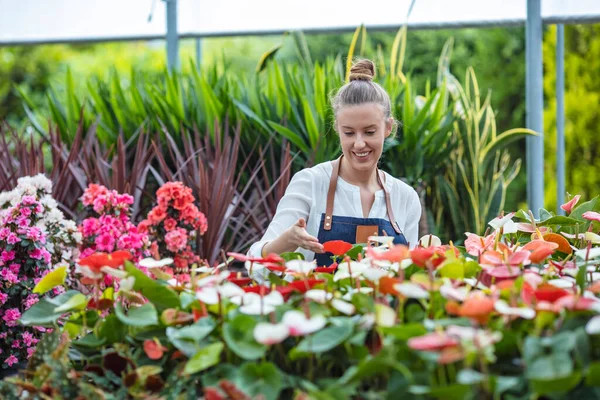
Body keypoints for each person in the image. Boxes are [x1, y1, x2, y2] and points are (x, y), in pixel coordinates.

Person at [248, 58, 421, 266]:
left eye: (369, 132)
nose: (359, 143)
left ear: (388, 128)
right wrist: (287, 241)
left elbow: (409, 271)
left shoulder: (405, 197)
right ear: (338, 129)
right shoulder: (310, 183)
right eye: (349, 132)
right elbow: (255, 263)